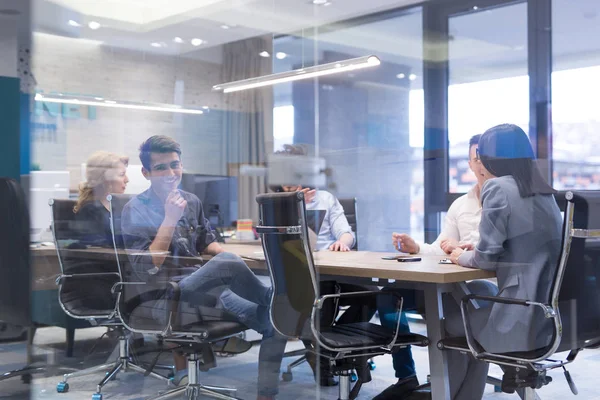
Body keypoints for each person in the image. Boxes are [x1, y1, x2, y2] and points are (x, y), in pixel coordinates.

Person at [121, 136, 286, 400]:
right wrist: (170, 219)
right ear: (146, 173)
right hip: (165, 297)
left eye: (175, 165)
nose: (170, 173)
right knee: (235, 269)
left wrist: (225, 254)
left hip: (203, 290)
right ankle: (275, 298)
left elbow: (205, 242)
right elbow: (147, 265)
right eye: (161, 167)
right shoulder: (135, 209)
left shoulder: (191, 201)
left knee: (274, 322)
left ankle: (266, 395)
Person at [444, 124, 561, 400]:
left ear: (490, 158)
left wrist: (461, 256)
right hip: (547, 317)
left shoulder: (497, 187)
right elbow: (525, 246)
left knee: (449, 322)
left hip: (518, 316)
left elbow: (485, 257)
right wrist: (480, 248)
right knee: (478, 300)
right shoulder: (545, 193)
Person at [374, 134, 484, 400]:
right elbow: (440, 247)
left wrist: (466, 249)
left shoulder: (506, 201)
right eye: (476, 158)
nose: (481, 164)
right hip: (448, 284)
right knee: (389, 298)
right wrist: (416, 248)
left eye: (485, 157)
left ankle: (447, 382)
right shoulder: (461, 205)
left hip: (480, 288)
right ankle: (406, 376)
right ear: (470, 163)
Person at [273, 144, 376, 386]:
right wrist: (296, 205)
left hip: (333, 268)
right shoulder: (277, 204)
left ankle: (336, 347)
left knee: (372, 295)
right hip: (299, 276)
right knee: (322, 296)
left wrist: (343, 241)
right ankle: (324, 354)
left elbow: (347, 232)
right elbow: (281, 243)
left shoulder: (326, 199)